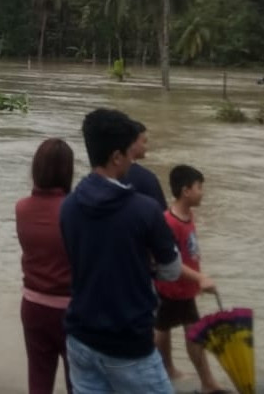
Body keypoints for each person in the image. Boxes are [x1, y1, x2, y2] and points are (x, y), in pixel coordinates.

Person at [59, 108, 181, 394]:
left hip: (79, 339)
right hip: (129, 344)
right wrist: (145, 264)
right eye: (129, 152)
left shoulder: (69, 207)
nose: (131, 159)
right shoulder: (144, 209)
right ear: (116, 157)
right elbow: (172, 270)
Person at [154, 165, 224, 394]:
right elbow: (169, 260)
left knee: (164, 327)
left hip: (184, 287)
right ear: (186, 191)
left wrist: (198, 281)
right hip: (173, 287)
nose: (202, 192)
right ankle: (207, 383)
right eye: (199, 187)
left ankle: (166, 371)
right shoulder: (170, 222)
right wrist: (200, 277)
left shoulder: (187, 216)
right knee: (192, 331)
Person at [15, 138, 74, 394]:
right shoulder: (75, 210)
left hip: (33, 305)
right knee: (79, 382)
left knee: (38, 381)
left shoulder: (22, 208)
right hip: (71, 308)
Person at [124, 123, 167, 208]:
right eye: (144, 142)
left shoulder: (109, 174)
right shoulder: (147, 178)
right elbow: (161, 214)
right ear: (132, 144)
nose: (146, 147)